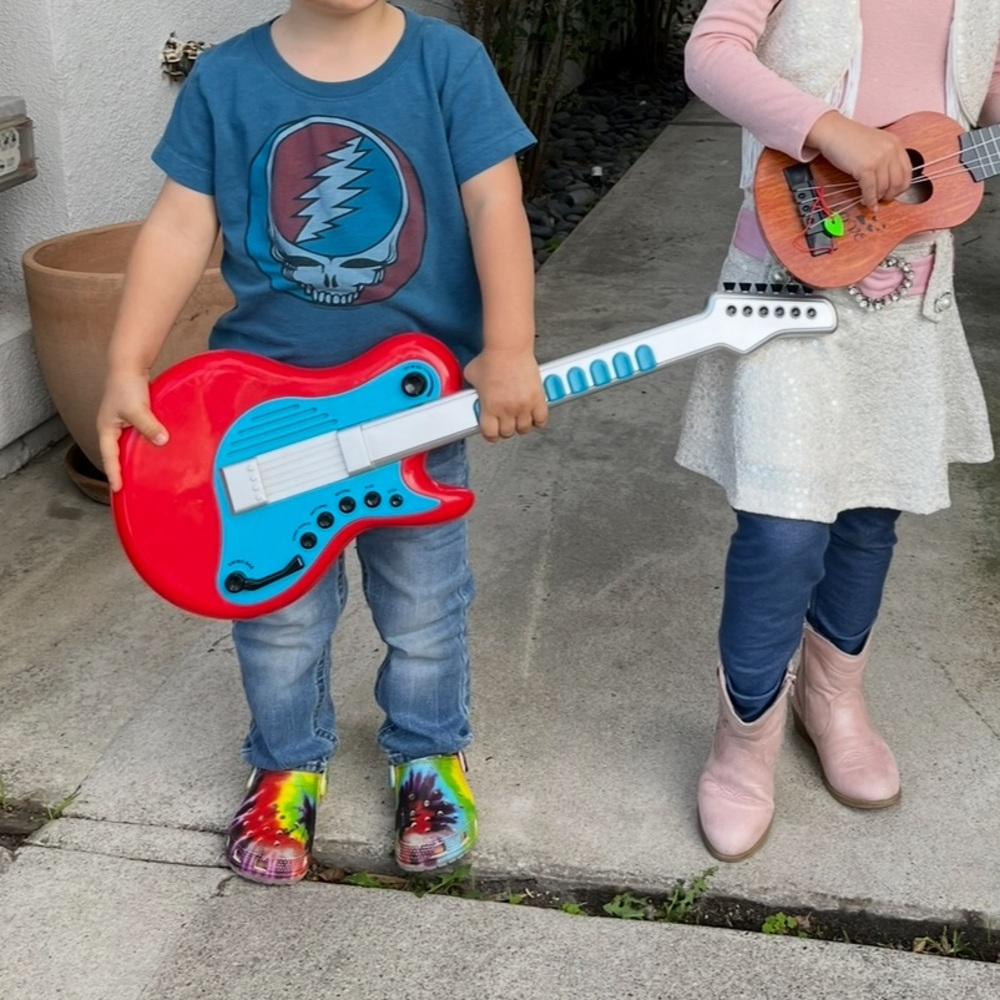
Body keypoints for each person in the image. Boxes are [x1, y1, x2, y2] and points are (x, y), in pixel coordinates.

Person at [96, 0, 548, 885]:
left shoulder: (446, 62)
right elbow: (181, 226)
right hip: (260, 423)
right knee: (276, 620)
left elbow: (497, 200)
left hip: (414, 412)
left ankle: (427, 754)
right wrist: (125, 362)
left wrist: (511, 347)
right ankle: (285, 763)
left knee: (424, 611)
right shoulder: (226, 79)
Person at [677, 0, 1000, 862]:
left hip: (913, 288)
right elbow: (711, 52)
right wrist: (832, 131)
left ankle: (833, 702)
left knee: (870, 513)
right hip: (792, 275)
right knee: (782, 527)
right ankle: (743, 740)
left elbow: (986, 87)